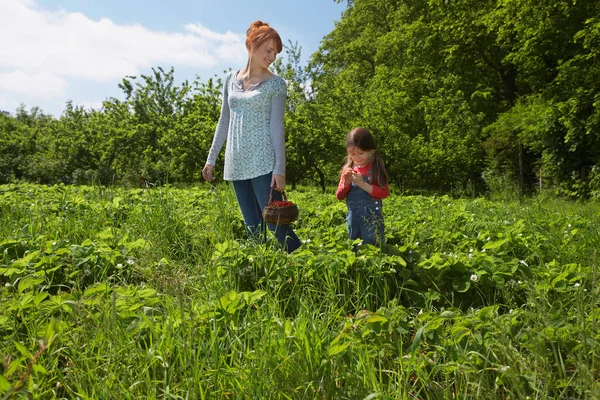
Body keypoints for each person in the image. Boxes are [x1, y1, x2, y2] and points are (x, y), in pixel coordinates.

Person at [202, 20, 301, 253]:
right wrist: (211, 158)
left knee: (277, 225)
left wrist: (280, 169)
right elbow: (224, 120)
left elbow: (277, 127)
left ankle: (306, 268)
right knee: (252, 228)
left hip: (264, 162)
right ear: (252, 45)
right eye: (268, 50)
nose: (272, 57)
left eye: (275, 53)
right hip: (236, 163)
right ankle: (261, 274)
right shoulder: (230, 79)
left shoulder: (276, 84)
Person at [336, 127, 389, 248]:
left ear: (371, 150)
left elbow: (384, 193)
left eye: (361, 153)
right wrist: (346, 184)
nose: (357, 158)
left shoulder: (376, 169)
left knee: (373, 244)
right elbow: (339, 196)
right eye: (352, 154)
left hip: (372, 217)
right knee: (355, 243)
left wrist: (362, 184)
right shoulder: (348, 169)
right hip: (353, 217)